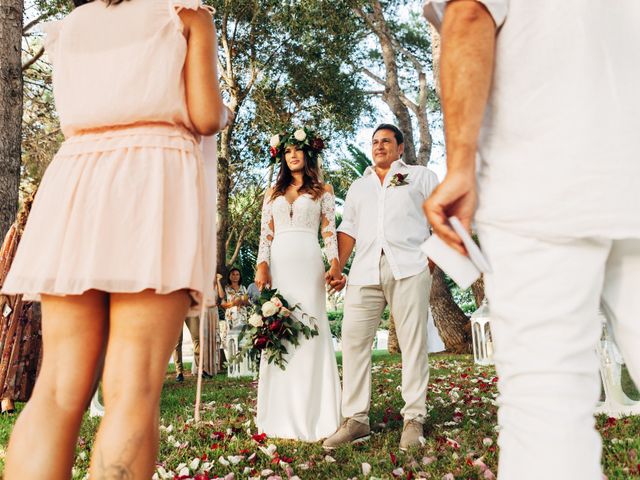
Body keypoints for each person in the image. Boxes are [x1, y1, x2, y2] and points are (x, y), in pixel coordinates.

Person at [0, 0, 231, 477]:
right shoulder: (185, 15)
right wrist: (222, 111)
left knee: (58, 387)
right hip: (152, 182)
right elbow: (205, 117)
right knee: (132, 388)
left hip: (77, 182)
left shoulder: (72, 26)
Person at [422, 1, 640, 479]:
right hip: (629, 157)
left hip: (544, 177)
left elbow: (471, 15)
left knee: (547, 404)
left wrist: (460, 165)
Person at [323, 124, 439, 451]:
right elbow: (349, 229)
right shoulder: (359, 186)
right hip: (363, 272)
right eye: (375, 141)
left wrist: (431, 259)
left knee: (412, 344)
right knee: (354, 342)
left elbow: (442, 215)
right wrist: (336, 266)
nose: (379, 146)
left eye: (386, 141)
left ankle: (414, 418)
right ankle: (356, 420)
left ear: (400, 148)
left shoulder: (421, 177)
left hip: (410, 268)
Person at [253, 126, 342, 441]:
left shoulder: (323, 190)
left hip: (308, 263)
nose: (293, 155)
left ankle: (314, 412)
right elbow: (266, 234)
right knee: (280, 330)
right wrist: (262, 265)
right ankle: (279, 412)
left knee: (310, 330)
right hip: (280, 264)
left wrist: (335, 263)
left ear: (308, 153)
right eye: (287, 150)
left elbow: (329, 233)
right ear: (282, 156)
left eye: (298, 149)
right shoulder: (272, 193)